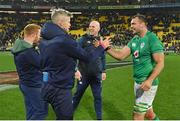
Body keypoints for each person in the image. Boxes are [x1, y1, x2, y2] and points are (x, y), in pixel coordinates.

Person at [39, 8, 107, 120]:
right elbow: (87, 57)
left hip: (46, 85)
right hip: (60, 88)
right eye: (69, 21)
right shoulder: (64, 40)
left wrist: (73, 69)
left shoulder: (43, 39)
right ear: (61, 23)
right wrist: (102, 47)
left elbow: (57, 59)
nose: (70, 25)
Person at [101, 14, 164, 120]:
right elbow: (121, 56)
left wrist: (149, 80)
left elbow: (160, 63)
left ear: (142, 24)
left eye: (133, 23)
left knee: (137, 116)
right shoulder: (134, 40)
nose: (131, 26)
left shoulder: (152, 38)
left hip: (147, 84)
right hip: (138, 83)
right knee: (149, 114)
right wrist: (106, 48)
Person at [12, 24, 48, 120]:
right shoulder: (28, 52)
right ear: (34, 35)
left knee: (31, 110)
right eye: (39, 35)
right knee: (41, 112)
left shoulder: (20, 47)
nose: (40, 37)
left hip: (26, 84)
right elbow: (44, 65)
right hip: (33, 85)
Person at [73, 20, 106, 120]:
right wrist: (75, 69)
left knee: (98, 97)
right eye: (90, 26)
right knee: (77, 96)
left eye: (93, 26)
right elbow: (74, 55)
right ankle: (67, 116)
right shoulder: (82, 40)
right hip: (83, 74)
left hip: (96, 75)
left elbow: (103, 56)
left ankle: (99, 119)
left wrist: (104, 71)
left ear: (98, 28)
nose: (91, 28)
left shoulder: (101, 40)